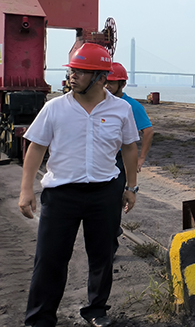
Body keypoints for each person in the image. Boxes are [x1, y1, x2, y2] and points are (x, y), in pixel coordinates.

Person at [18, 43, 140, 327]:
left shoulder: (121, 109)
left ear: (100, 78)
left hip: (105, 193)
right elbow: (36, 148)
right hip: (61, 194)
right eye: (72, 70)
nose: (72, 76)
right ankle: (40, 318)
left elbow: (129, 148)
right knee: (50, 258)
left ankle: (96, 310)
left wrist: (131, 187)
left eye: (81, 71)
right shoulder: (54, 108)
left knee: (102, 257)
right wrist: (26, 190)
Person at [105, 61, 154, 255]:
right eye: (105, 81)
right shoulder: (99, 102)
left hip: (119, 161)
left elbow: (148, 131)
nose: (107, 86)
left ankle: (111, 244)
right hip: (103, 160)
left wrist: (141, 158)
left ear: (122, 84)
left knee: (113, 204)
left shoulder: (131, 106)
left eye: (111, 82)